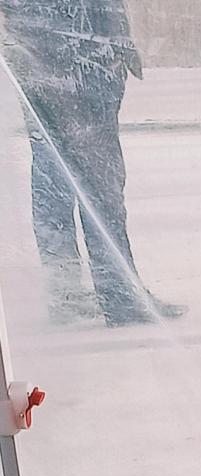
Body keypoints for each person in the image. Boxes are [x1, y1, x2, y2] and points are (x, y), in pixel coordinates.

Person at [0, 0, 185, 326]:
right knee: (95, 180)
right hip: (75, 57)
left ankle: (66, 292)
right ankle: (117, 295)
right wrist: (109, 48)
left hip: (42, 54)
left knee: (54, 173)